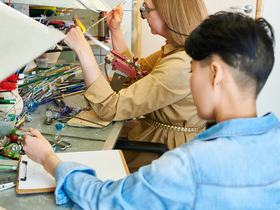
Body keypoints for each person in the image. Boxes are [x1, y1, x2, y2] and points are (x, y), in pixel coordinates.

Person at [23, 11, 279, 208]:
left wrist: (49, 160)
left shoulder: (188, 165)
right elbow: (136, 69)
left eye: (193, 70)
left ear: (215, 74)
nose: (190, 80)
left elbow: (105, 201)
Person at [64, 0, 208, 171]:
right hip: (156, 137)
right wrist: (115, 30)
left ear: (168, 11)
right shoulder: (180, 48)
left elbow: (109, 108)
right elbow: (135, 72)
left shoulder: (182, 65)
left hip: (163, 154)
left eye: (146, 9)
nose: (144, 15)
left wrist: (83, 50)